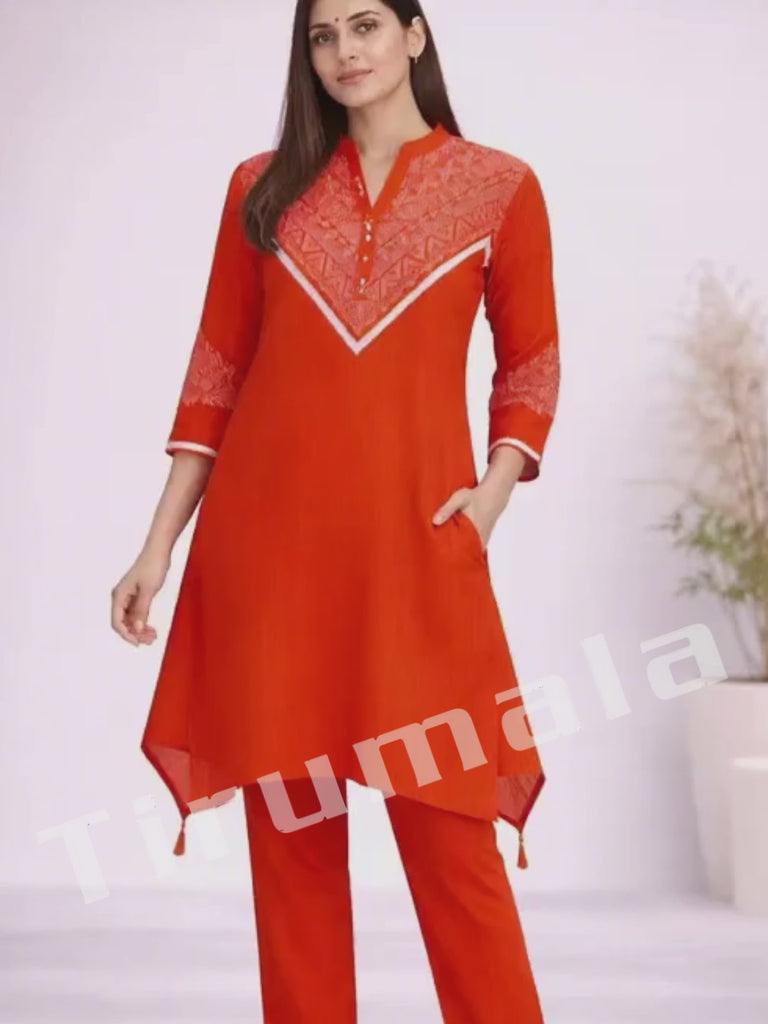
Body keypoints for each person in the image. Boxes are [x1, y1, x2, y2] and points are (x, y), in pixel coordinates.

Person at [111, 1, 560, 1020]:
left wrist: (490, 499)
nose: (345, 52)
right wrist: (156, 547)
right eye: (323, 36)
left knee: (453, 848)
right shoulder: (262, 190)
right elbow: (216, 376)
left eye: (365, 26)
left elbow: (531, 362)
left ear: (414, 35)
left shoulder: (499, 188)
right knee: (294, 865)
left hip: (416, 555)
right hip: (270, 561)